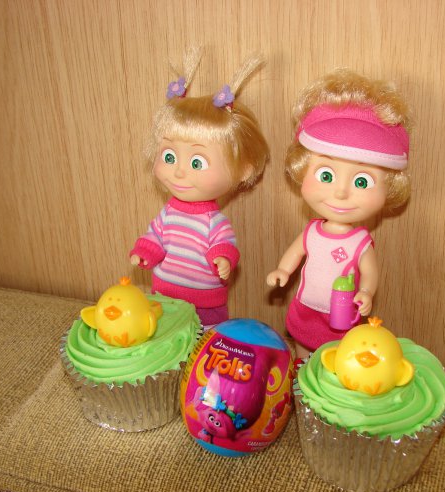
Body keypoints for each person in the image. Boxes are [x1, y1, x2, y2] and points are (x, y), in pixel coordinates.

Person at [266, 69, 412, 359]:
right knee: (302, 347)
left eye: (362, 182)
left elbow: (370, 272)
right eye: (326, 175)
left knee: (335, 357)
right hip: (306, 307)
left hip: (341, 313)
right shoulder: (311, 231)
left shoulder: (360, 242)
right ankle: (302, 375)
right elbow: (295, 254)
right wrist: (282, 270)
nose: (341, 192)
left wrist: (366, 292)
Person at [131, 49, 269, 328]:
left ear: (242, 171)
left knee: (205, 340)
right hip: (164, 296)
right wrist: (145, 251)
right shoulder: (168, 214)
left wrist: (222, 258)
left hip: (205, 302)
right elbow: (155, 236)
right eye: (169, 156)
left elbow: (224, 244)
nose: (179, 171)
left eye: (197, 162)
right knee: (166, 336)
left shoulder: (212, 222)